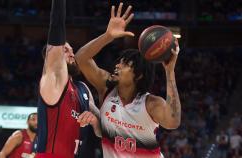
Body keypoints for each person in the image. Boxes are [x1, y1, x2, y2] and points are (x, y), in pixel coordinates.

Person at [75, 3, 181, 158]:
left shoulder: (150, 104)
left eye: (125, 64)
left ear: (138, 75)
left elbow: (173, 122)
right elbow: (81, 58)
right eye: (119, 62)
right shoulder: (106, 89)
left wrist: (170, 72)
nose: (117, 66)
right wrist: (107, 36)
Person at [35, 0, 101, 157]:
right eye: (65, 50)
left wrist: (95, 121)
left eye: (72, 49)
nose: (72, 53)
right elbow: (56, 25)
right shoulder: (52, 82)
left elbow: (102, 132)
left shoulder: (82, 88)